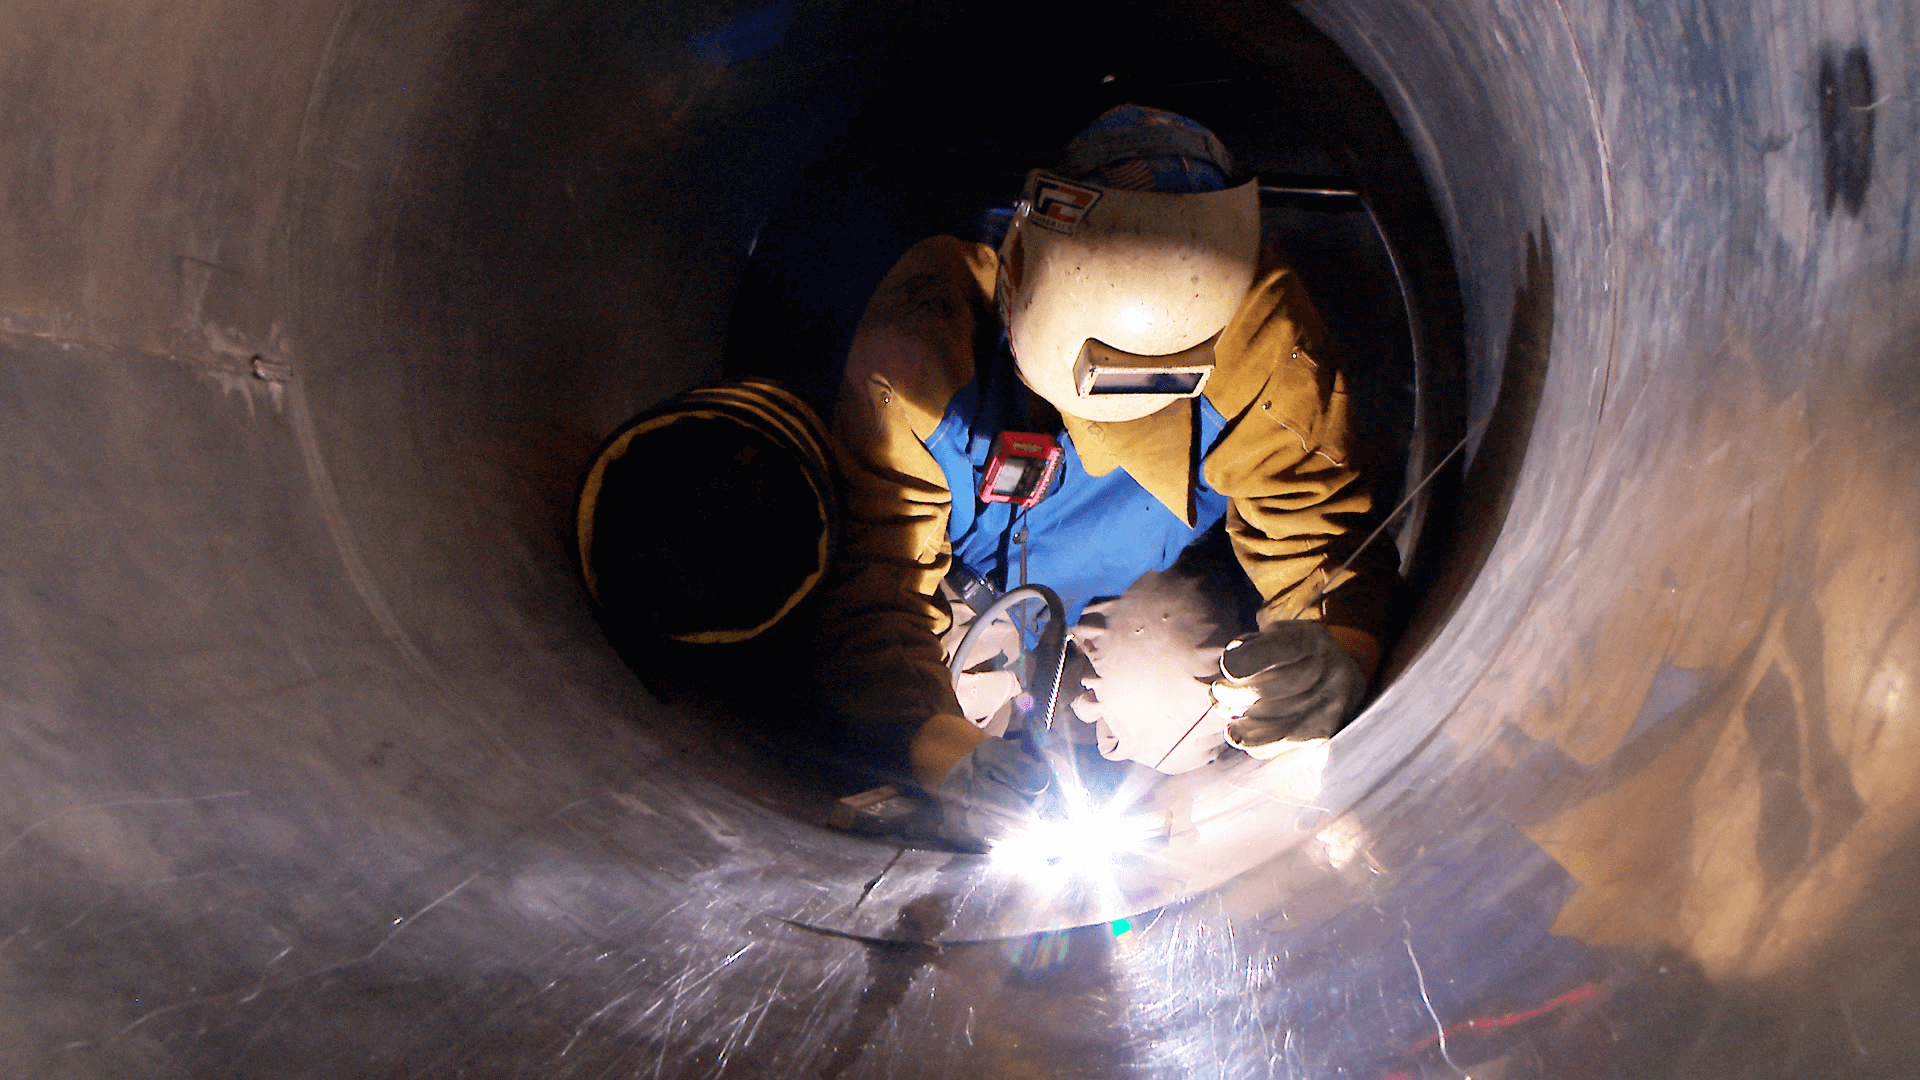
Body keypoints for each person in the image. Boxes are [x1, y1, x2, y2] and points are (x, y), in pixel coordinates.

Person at [811, 105, 1399, 846]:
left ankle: (1160, 791)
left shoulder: (1262, 339)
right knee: (954, 718)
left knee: (1182, 707)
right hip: (969, 603)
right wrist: (938, 752)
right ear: (1023, 271)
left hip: (1135, 598)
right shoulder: (935, 326)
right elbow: (877, 581)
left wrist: (1334, 654)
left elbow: (1320, 533)